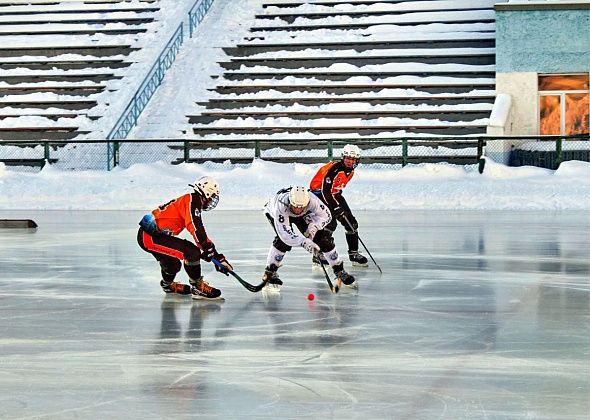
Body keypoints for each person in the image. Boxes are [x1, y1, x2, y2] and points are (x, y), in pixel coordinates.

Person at [137, 176, 232, 300]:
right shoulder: (193, 202)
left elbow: (197, 231)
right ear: (206, 193)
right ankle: (197, 287)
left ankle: (167, 286)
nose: (212, 200)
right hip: (149, 236)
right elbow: (197, 229)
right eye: (212, 196)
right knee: (191, 252)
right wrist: (211, 252)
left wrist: (212, 254)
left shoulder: (191, 200)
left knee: (173, 265)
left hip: (151, 235)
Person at [262, 185, 355, 288]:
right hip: (276, 212)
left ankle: (339, 270)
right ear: (290, 201)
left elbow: (326, 216)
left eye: (301, 206)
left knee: (322, 238)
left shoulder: (313, 200)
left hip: (303, 214)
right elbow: (285, 235)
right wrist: (304, 242)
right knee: (282, 242)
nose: (298, 209)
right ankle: (269, 272)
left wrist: (314, 226)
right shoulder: (280, 205)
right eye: (295, 206)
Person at [309, 144, 368, 267]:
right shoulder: (334, 169)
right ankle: (319, 254)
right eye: (347, 158)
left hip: (334, 194)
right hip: (319, 194)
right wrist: (336, 207)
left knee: (351, 223)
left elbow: (336, 190)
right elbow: (325, 190)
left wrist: (339, 206)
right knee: (330, 223)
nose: (350, 161)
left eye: (353, 159)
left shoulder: (351, 171)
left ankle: (353, 254)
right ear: (343, 157)